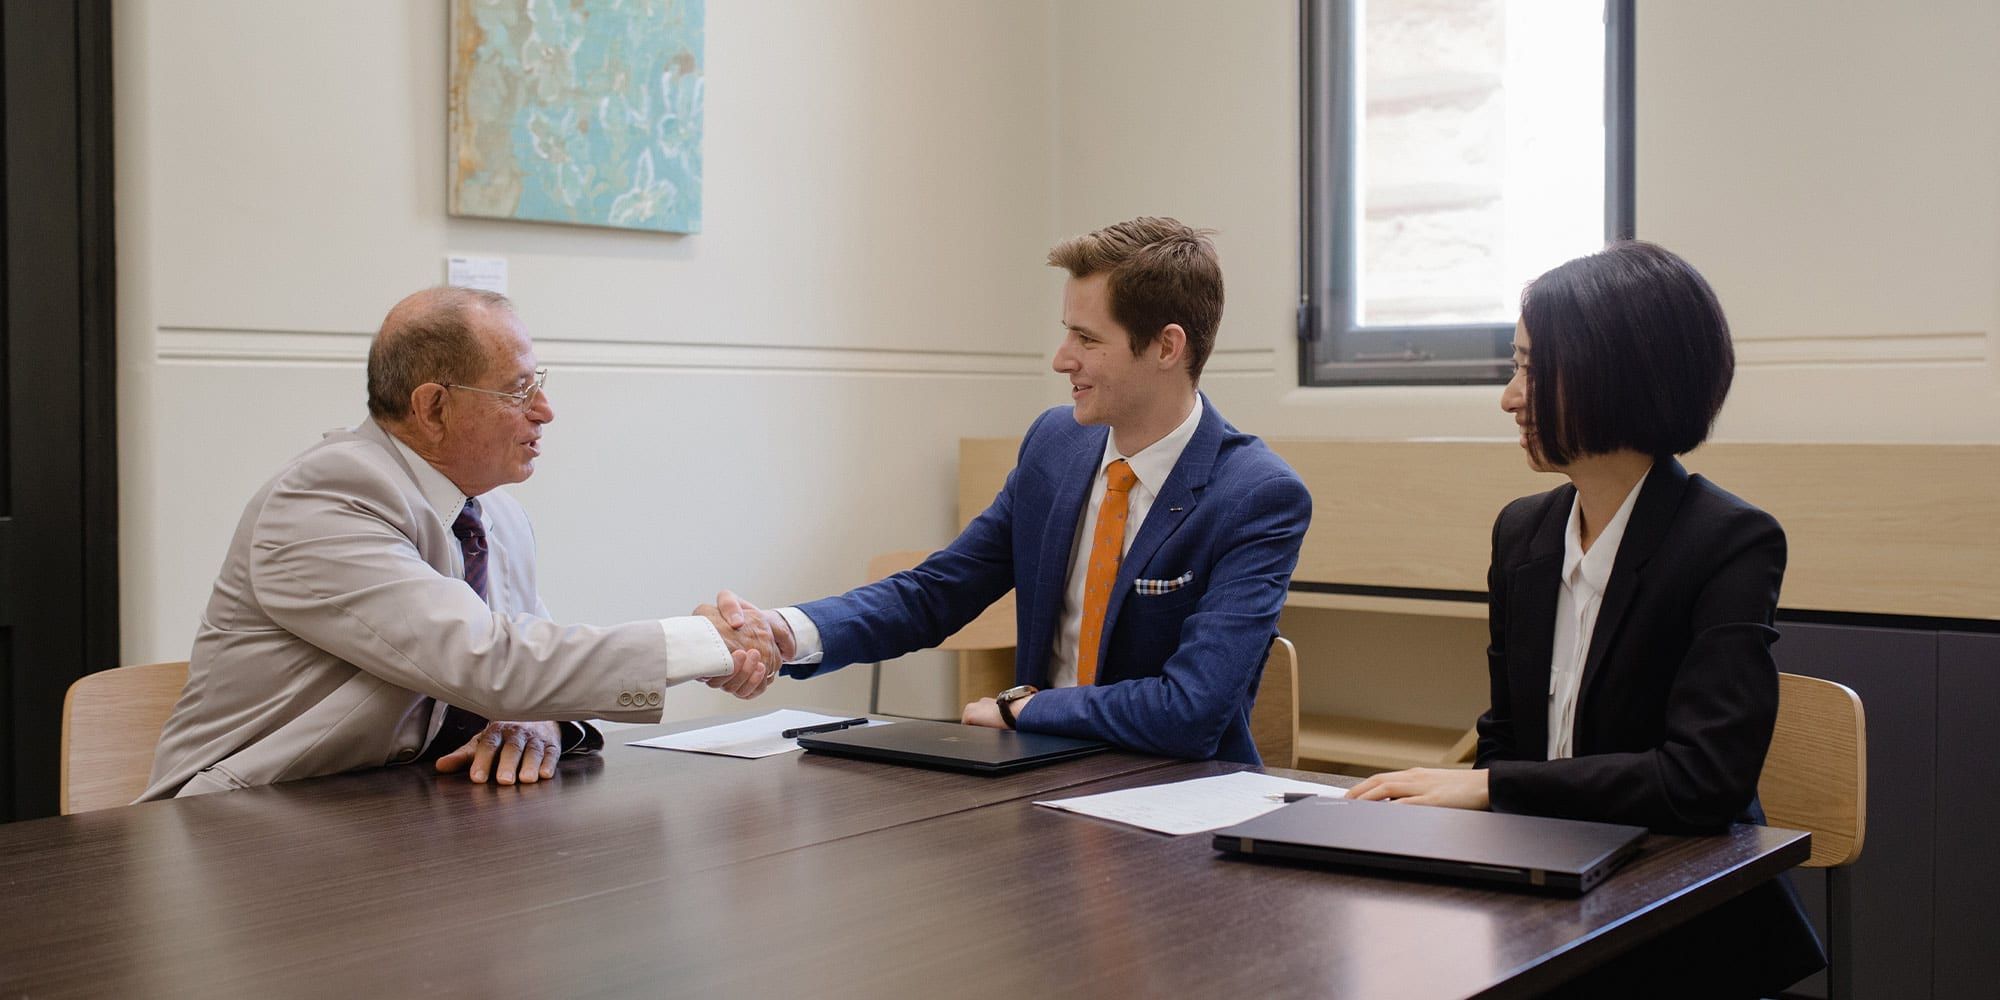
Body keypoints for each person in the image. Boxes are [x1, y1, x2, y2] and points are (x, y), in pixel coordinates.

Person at [1349, 241, 1825, 996]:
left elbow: (1702, 781)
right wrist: (1484, 796)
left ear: (1616, 372)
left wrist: (1495, 788)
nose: (1510, 397)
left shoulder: (1730, 540)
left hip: (1680, 916)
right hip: (1545, 889)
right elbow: (1506, 736)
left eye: (1532, 370)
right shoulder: (1523, 533)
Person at [708, 217, 1310, 763]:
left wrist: (1023, 709)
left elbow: (1192, 711)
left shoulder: (1258, 496)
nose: (1060, 359)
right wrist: (785, 631)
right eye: (1065, 332)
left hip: (1175, 800)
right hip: (1034, 782)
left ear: (1166, 346)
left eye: (1087, 339)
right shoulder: (1055, 446)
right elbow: (936, 592)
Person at [142, 287, 777, 801]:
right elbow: (488, 662)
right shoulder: (324, 500)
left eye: (540, 383)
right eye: (518, 391)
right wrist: (705, 644)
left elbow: (533, 665)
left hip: (394, 809)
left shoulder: (495, 510)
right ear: (434, 407)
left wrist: (539, 717)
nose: (546, 410)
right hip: (237, 824)